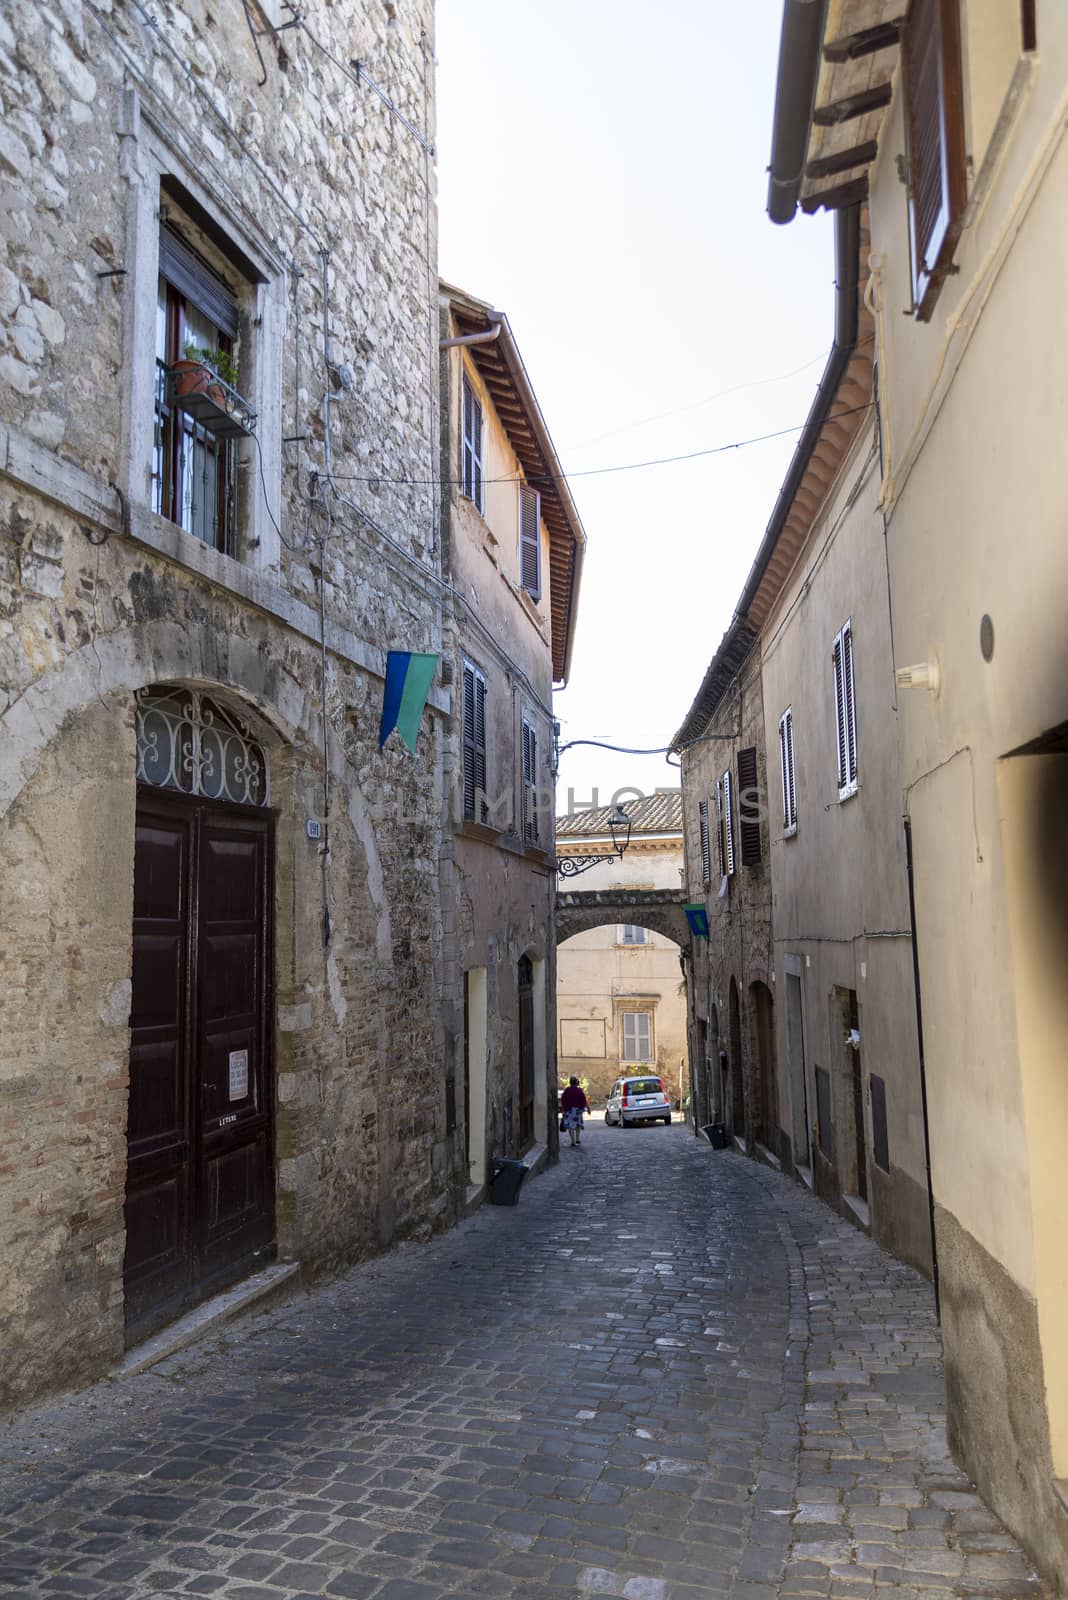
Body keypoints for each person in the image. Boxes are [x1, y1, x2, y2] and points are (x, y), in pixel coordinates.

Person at [559, 1076, 590, 1148]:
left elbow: (563, 1100)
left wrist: (563, 1109)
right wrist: (585, 1108)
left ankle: (572, 1141)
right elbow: (583, 1100)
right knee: (578, 1124)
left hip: (569, 1110)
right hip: (578, 1110)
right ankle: (577, 1138)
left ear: (570, 1082)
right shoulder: (579, 1091)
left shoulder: (566, 1090)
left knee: (570, 1125)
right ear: (577, 1082)